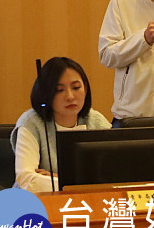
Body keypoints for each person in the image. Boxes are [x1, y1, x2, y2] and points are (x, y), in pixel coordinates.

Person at [10, 57, 110, 192]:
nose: (70, 96)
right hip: (34, 201)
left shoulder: (96, 121)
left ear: (85, 89)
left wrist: (60, 178)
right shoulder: (31, 123)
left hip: (86, 200)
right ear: (46, 94)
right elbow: (27, 180)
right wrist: (83, 184)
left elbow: (114, 174)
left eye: (76, 87)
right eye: (59, 90)